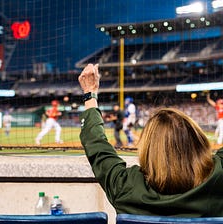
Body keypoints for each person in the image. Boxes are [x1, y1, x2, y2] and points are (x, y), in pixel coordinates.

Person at [78, 63, 223, 217]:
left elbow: (96, 144)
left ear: (148, 149)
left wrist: (90, 93)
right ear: (198, 142)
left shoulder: (125, 187)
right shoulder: (218, 175)